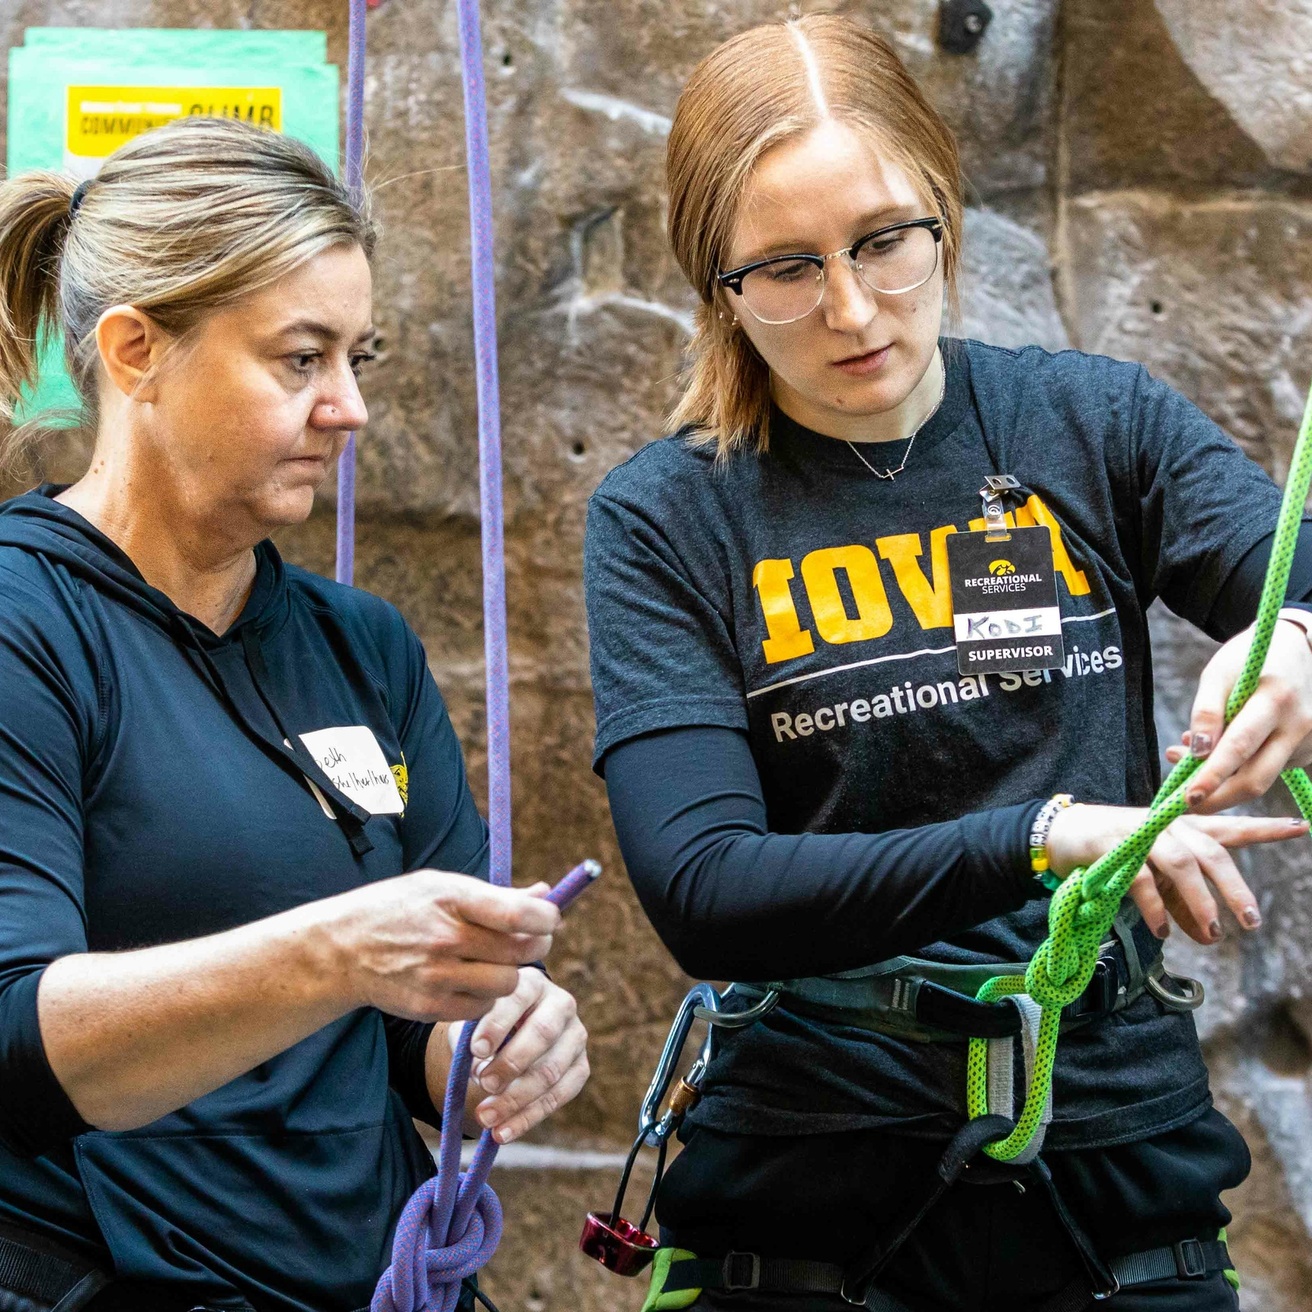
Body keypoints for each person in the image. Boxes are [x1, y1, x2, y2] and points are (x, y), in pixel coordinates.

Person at [584, 15, 1312, 1312]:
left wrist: (1302, 646)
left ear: (943, 206)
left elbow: (1297, 576)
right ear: (719, 284)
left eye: (883, 241)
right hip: (805, 1187)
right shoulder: (669, 517)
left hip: (1114, 1166)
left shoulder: (1095, 426)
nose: (853, 308)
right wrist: (1042, 835)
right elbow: (704, 886)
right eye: (786, 270)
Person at [0, 117, 589, 1312]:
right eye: (300, 359)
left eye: (358, 358)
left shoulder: (358, 644)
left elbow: (420, 1037)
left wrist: (498, 1039)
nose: (351, 409)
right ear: (135, 352)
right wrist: (334, 950)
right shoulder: (27, 620)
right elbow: (15, 1037)